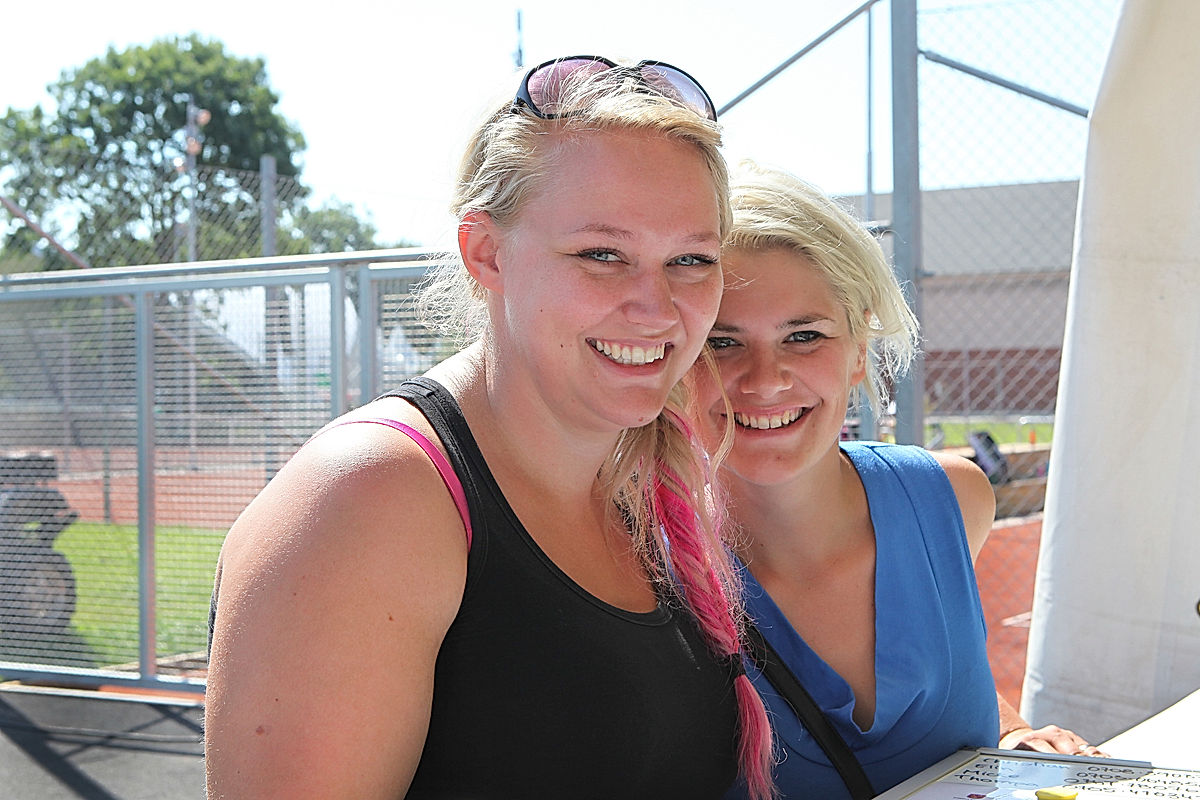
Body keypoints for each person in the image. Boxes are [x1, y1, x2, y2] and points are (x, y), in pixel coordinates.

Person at [204, 57, 775, 800]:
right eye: (602, 254)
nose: (658, 306)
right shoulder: (369, 499)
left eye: (691, 259)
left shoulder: (636, 484)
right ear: (486, 252)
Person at [686, 161, 1102, 800]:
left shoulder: (954, 500)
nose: (764, 379)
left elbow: (948, 669)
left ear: (858, 353)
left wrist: (1013, 734)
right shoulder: (635, 565)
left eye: (804, 336)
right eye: (722, 343)